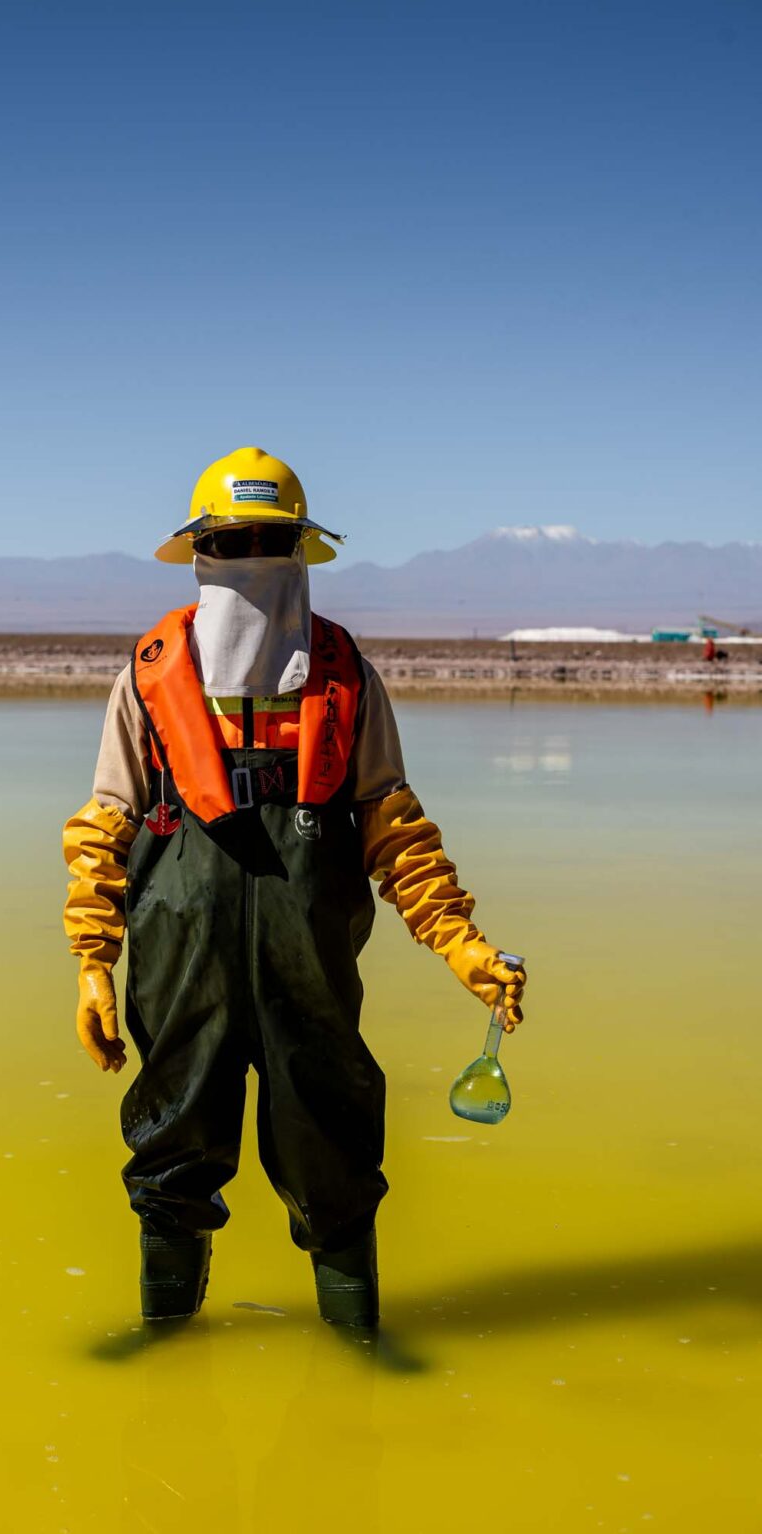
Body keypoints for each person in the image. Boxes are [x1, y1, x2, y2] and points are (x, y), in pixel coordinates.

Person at [62, 447, 526, 1328]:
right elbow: (104, 829)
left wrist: (462, 941)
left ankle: (358, 1339)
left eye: (267, 542)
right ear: (200, 553)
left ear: (300, 552)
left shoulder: (347, 680)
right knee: (170, 1144)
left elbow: (398, 832)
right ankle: (166, 1339)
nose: (248, 562)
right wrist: (93, 962)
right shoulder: (148, 678)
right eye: (231, 543)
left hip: (307, 974)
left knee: (334, 1149)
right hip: (178, 966)